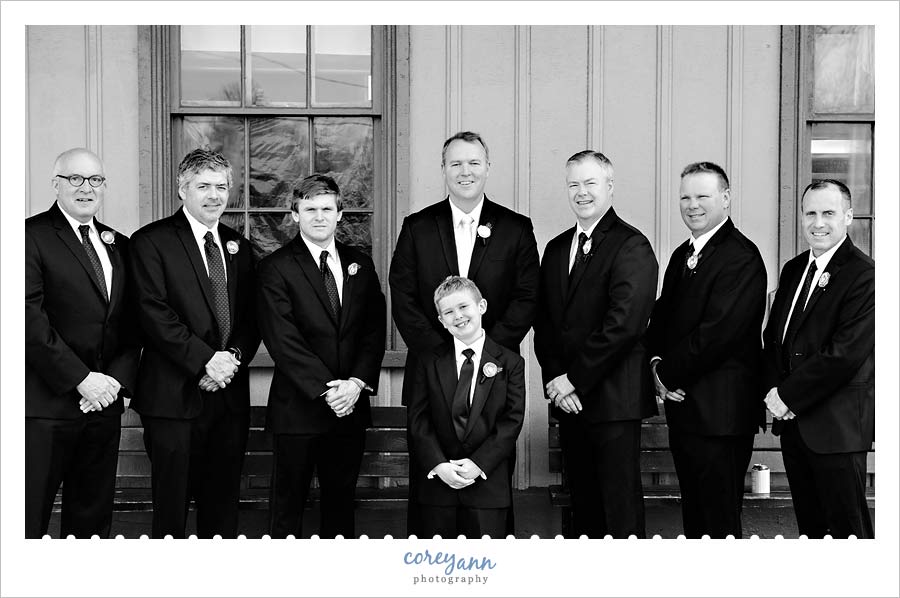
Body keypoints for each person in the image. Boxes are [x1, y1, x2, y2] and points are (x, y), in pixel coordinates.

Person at [389, 130, 539, 535]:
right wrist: (444, 350)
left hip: (492, 375)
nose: (465, 171)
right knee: (433, 508)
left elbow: (527, 295)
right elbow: (402, 294)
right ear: (443, 170)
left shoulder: (515, 228)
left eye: (474, 162)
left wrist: (487, 351)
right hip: (432, 372)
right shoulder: (418, 227)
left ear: (488, 167)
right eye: (455, 163)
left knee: (485, 509)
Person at [129, 148, 260, 538]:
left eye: (221, 187)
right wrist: (206, 362)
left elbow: (253, 319)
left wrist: (230, 361)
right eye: (203, 186)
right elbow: (153, 314)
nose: (214, 195)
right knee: (171, 509)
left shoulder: (240, 247)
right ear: (182, 189)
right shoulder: (151, 242)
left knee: (222, 508)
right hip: (173, 397)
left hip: (228, 398)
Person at [533, 150, 659, 538]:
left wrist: (574, 378)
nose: (581, 192)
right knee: (582, 506)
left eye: (590, 183)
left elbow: (624, 325)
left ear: (609, 186)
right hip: (570, 403)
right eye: (574, 184)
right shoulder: (556, 248)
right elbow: (546, 322)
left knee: (617, 507)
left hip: (614, 402)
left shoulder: (631, 246)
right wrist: (556, 381)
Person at [257, 174, 386, 538]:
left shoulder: (360, 264)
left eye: (327, 208)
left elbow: (373, 329)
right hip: (298, 409)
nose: (319, 216)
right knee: (288, 506)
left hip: (350, 408)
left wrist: (357, 383)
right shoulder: (275, 267)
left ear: (340, 214)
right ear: (295, 214)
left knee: (341, 505)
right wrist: (329, 390)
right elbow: (282, 339)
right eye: (309, 208)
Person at [645, 161, 766, 539]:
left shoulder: (741, 257)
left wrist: (666, 375)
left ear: (726, 199)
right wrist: (653, 364)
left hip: (722, 416)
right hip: (687, 413)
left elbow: (718, 334)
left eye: (702, 196)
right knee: (696, 517)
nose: (692, 204)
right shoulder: (682, 255)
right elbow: (660, 318)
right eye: (685, 196)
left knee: (718, 520)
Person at [25, 148, 141, 538]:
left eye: (95, 180)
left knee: (92, 519)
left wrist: (113, 384)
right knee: (29, 515)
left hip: (102, 406)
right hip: (46, 406)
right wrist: (80, 378)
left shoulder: (119, 244)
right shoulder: (28, 236)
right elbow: (27, 319)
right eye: (75, 178)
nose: (86, 188)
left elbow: (132, 323)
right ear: (56, 183)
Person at [761, 179, 874, 538]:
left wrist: (788, 397)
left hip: (836, 430)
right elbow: (773, 338)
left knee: (847, 534)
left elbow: (844, 353)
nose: (818, 222)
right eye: (810, 213)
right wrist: (773, 390)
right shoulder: (794, 269)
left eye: (828, 213)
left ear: (848, 216)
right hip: (795, 430)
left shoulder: (865, 274)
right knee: (811, 532)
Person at [407, 276, 526, 538]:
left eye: (464, 307)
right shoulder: (428, 362)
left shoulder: (511, 363)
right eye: (448, 312)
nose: (458, 316)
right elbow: (419, 419)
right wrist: (439, 465)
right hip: (439, 486)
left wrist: (478, 464)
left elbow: (511, 421)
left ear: (481, 306)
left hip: (487, 485)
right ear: (441, 320)